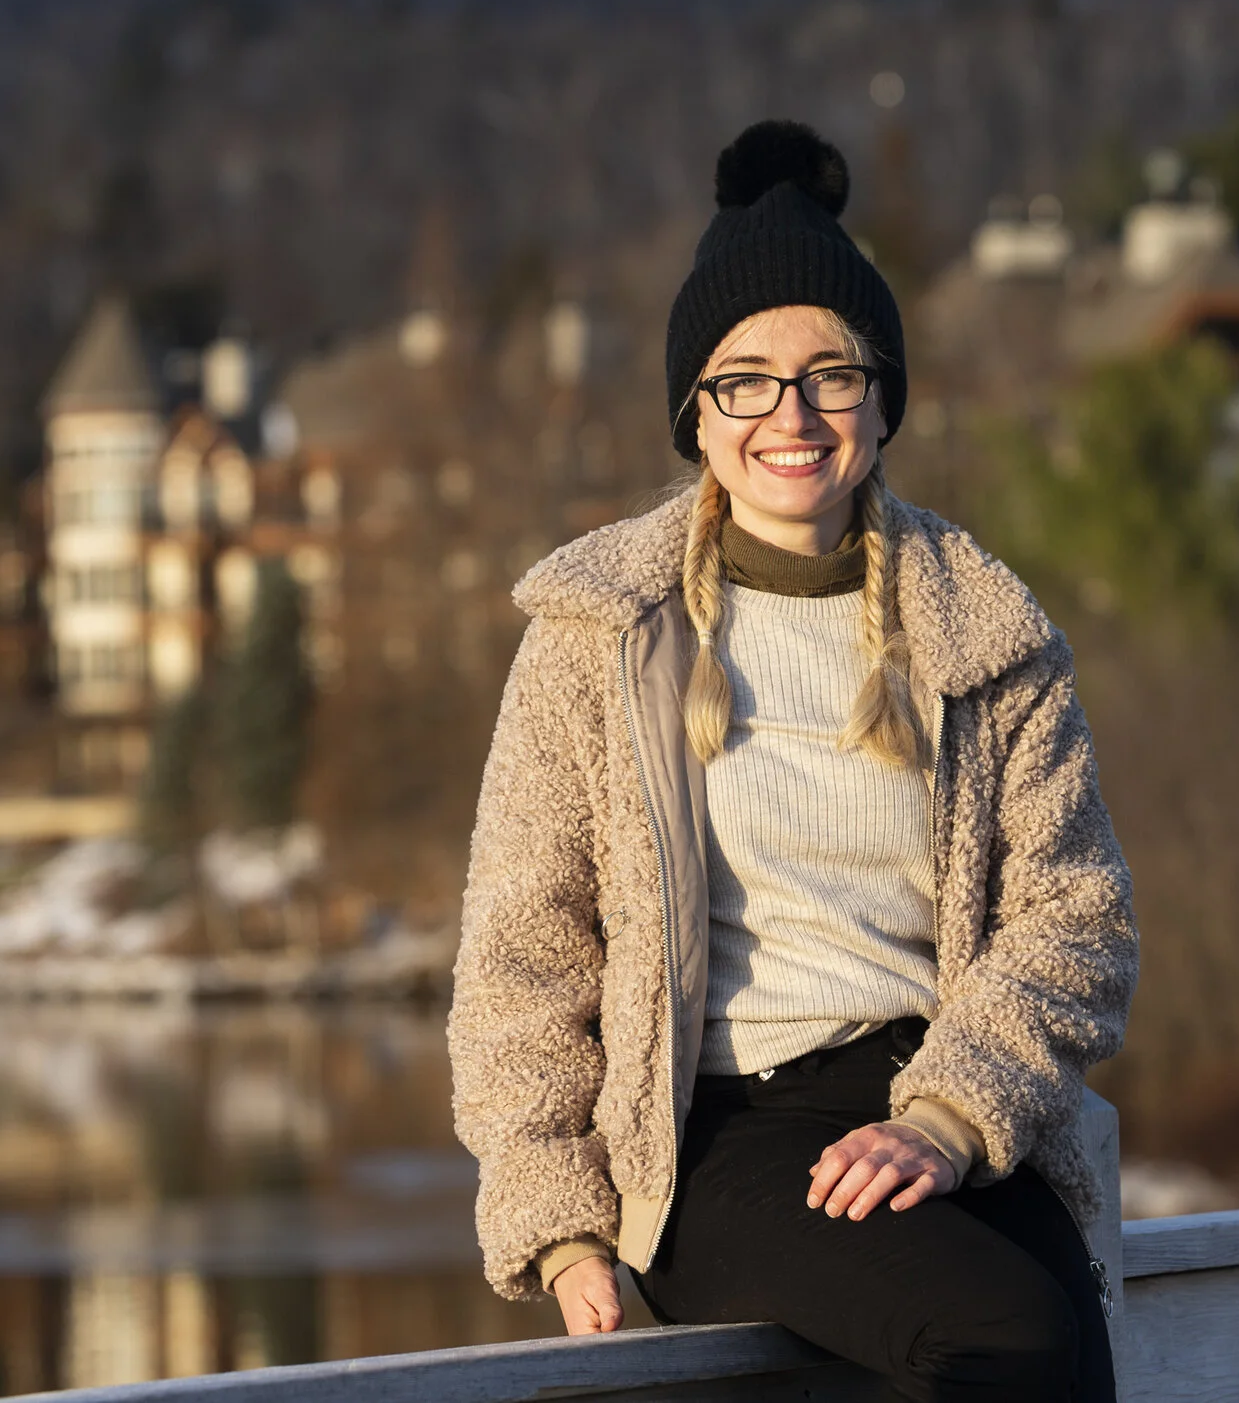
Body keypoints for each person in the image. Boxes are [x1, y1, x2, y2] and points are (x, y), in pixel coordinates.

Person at [448, 120, 1137, 1402]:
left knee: (1072, 1346)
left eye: (831, 372)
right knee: (1004, 1337)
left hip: (937, 1107)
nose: (792, 413)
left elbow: (1075, 921)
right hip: (716, 1132)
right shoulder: (600, 635)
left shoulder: (980, 628)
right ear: (693, 414)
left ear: (881, 399)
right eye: (744, 377)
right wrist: (558, 1214)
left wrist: (945, 1114)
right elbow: (521, 947)